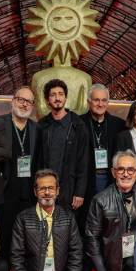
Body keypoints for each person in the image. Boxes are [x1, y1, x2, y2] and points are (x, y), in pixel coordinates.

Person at [10, 169, 89, 271]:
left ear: (58, 190)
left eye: (51, 188)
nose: (47, 192)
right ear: (35, 191)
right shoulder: (23, 219)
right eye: (42, 188)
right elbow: (16, 259)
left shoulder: (68, 218)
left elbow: (76, 255)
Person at [79, 84, 126, 271]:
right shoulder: (79, 123)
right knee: (86, 228)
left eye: (104, 100)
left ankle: (106, 270)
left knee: (108, 228)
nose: (100, 104)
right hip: (87, 184)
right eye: (96, 100)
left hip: (109, 183)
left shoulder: (118, 124)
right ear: (89, 102)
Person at [0, 86, 38, 271]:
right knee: (3, 242)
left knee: (24, 244)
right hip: (4, 194)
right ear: (13, 101)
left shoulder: (35, 129)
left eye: (28, 101)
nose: (24, 104)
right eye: (21, 99)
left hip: (28, 196)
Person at [35, 79, 89, 211]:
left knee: (67, 227)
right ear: (48, 100)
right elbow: (37, 161)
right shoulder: (42, 125)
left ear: (65, 98)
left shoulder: (78, 125)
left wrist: (79, 192)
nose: (57, 98)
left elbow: (83, 161)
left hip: (69, 190)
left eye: (60, 94)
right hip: (46, 189)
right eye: (53, 95)